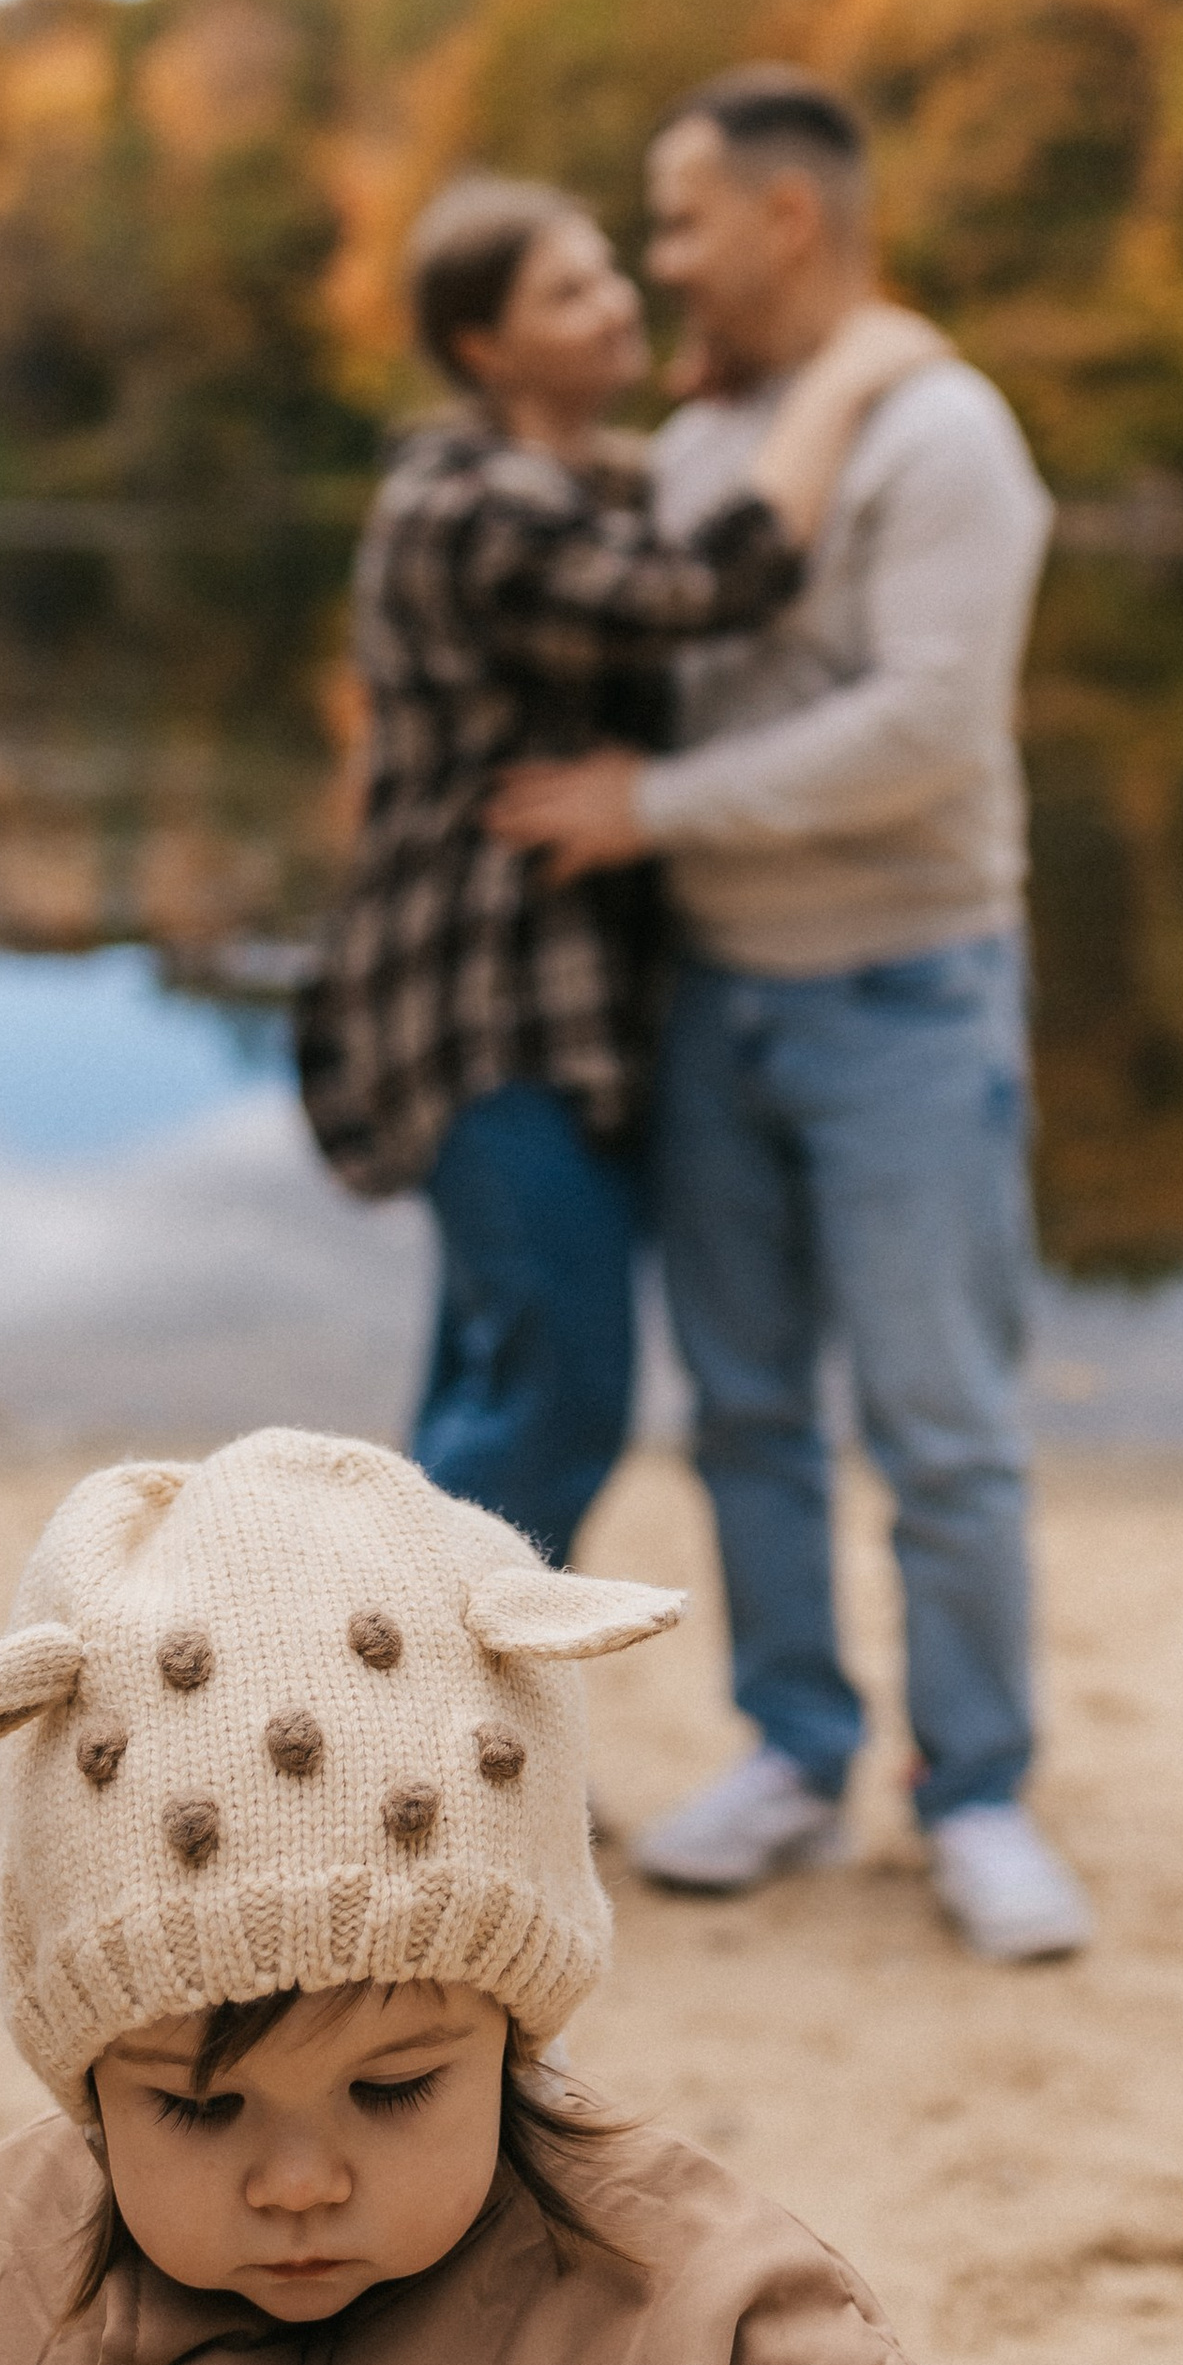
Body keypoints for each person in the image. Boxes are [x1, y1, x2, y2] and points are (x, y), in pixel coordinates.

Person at [0, 1425, 1001, 2365]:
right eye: (194, 2107)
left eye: (392, 2088)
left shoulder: (659, 2270)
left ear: (510, 2032)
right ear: (87, 2077)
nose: (297, 2182)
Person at [488, 72, 1087, 1965]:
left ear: (787, 222)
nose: (661, 263)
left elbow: (923, 729)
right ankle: (796, 1750)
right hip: (716, 998)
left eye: (677, 224)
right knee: (744, 1409)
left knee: (941, 1421)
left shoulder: (947, 435)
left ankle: (976, 1793)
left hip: (908, 991)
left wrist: (646, 812)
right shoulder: (711, 441)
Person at [296, 175, 938, 1570]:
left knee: (490, 1372)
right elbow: (695, 588)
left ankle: (393, 1738)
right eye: (571, 291)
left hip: (548, 1017)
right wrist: (836, 389)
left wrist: (723, 402)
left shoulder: (570, 483)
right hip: (487, 1013)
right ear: (484, 349)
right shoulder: (467, 503)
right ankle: (410, 1724)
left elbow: (657, 508)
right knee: (561, 1396)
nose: (619, 301)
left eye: (611, 273)